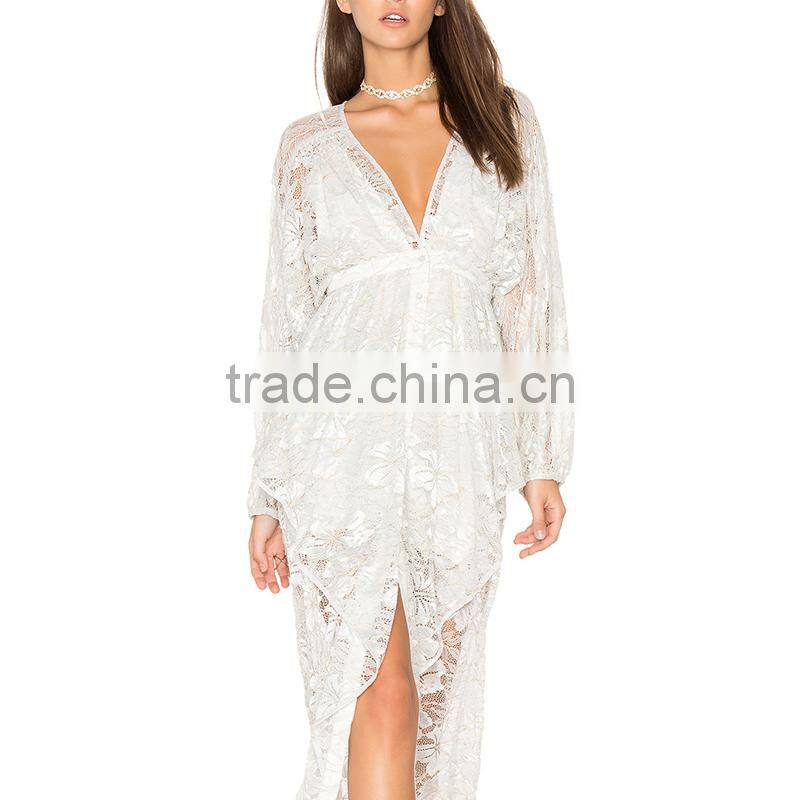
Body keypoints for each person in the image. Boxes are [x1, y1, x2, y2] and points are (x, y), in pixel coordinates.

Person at [247, 2, 573, 798]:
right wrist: (266, 492)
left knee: (437, 707)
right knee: (381, 692)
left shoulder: (503, 123)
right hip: (337, 455)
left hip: (459, 452)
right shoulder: (308, 148)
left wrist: (542, 456)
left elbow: (529, 297)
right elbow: (287, 322)